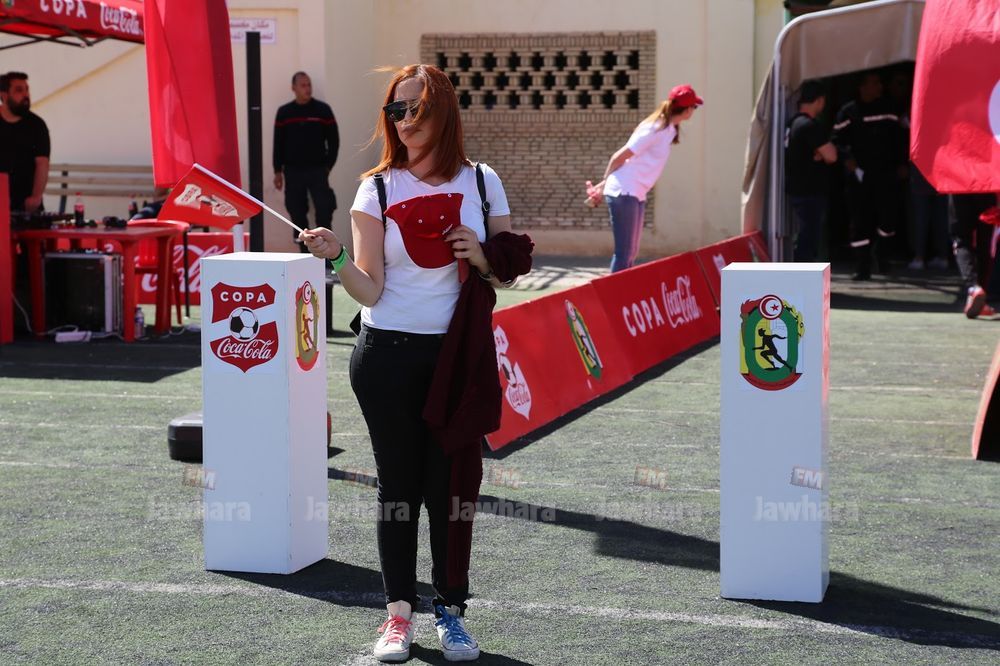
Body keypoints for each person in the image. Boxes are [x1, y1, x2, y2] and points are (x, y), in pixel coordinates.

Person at [299, 64, 533, 663]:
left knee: (452, 490)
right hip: (386, 358)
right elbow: (371, 290)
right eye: (395, 110)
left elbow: (510, 263)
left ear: (443, 112)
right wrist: (336, 257)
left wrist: (482, 255)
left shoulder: (483, 180)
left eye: (416, 108)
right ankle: (398, 614)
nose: (404, 121)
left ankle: (450, 611)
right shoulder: (374, 189)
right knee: (398, 488)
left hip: (458, 359)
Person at [586, 84, 702, 272]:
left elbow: (630, 162)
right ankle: (616, 291)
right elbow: (618, 157)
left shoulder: (670, 129)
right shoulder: (654, 128)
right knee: (624, 253)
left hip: (635, 192)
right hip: (624, 191)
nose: (694, 111)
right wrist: (603, 186)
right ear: (688, 109)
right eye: (694, 107)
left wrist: (601, 186)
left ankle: (624, 289)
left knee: (631, 252)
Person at [833, 70, 908, 280]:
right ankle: (862, 266)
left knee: (888, 219)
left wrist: (903, 163)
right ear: (862, 87)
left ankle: (882, 256)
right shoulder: (848, 112)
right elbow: (837, 140)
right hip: (860, 177)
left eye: (879, 83)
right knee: (860, 221)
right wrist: (847, 159)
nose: (879, 87)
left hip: (887, 174)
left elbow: (902, 138)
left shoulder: (890, 109)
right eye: (874, 83)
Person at [273, 71, 338, 251]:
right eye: (303, 85)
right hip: (293, 172)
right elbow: (278, 144)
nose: (307, 88)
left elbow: (334, 141)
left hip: (318, 171)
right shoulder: (284, 113)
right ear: (293, 88)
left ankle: (327, 256)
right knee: (296, 213)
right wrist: (277, 171)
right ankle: (305, 256)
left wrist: (327, 167)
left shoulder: (323, 110)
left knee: (324, 211)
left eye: (309, 85)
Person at [784, 79, 836, 262]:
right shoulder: (810, 126)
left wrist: (819, 153)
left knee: (804, 236)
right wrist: (821, 153)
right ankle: (802, 275)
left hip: (796, 188)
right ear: (819, 101)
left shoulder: (792, 123)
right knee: (808, 239)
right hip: (809, 191)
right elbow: (831, 155)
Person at [0, 72, 50, 213]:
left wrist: (36, 197)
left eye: (27, 89)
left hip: (26, 205)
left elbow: (42, 163)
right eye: (19, 90)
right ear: (4, 95)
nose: (26, 95)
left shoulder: (37, 125)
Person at [950, 193, 997, 318]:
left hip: (960, 187)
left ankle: (973, 287)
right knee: (985, 241)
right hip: (987, 189)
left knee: (961, 239)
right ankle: (978, 293)